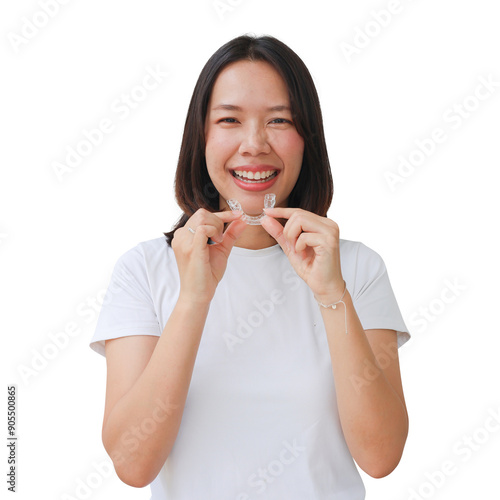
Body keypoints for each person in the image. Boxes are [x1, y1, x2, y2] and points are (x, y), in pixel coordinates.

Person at [89, 33, 411, 500]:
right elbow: (132, 464)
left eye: (279, 120)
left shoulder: (356, 269)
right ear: (201, 137)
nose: (254, 144)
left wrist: (331, 295)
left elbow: (381, 457)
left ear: (308, 139)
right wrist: (195, 299)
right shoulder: (144, 269)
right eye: (229, 120)